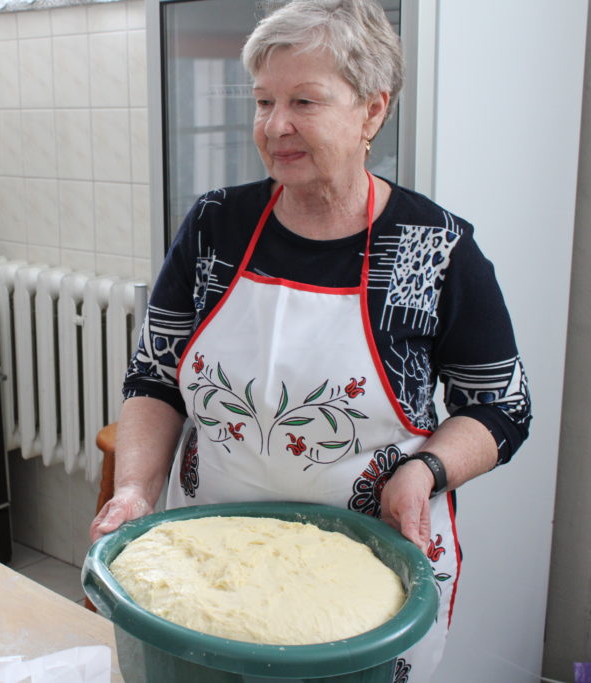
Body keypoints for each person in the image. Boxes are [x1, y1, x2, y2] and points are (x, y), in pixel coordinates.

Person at [89, 0, 531, 679]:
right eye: (263, 101)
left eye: (304, 101)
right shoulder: (215, 226)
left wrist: (425, 471)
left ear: (373, 111)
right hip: (210, 564)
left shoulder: (433, 248)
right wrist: (134, 491)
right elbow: (155, 379)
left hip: (372, 574)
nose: (275, 126)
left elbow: (500, 405)